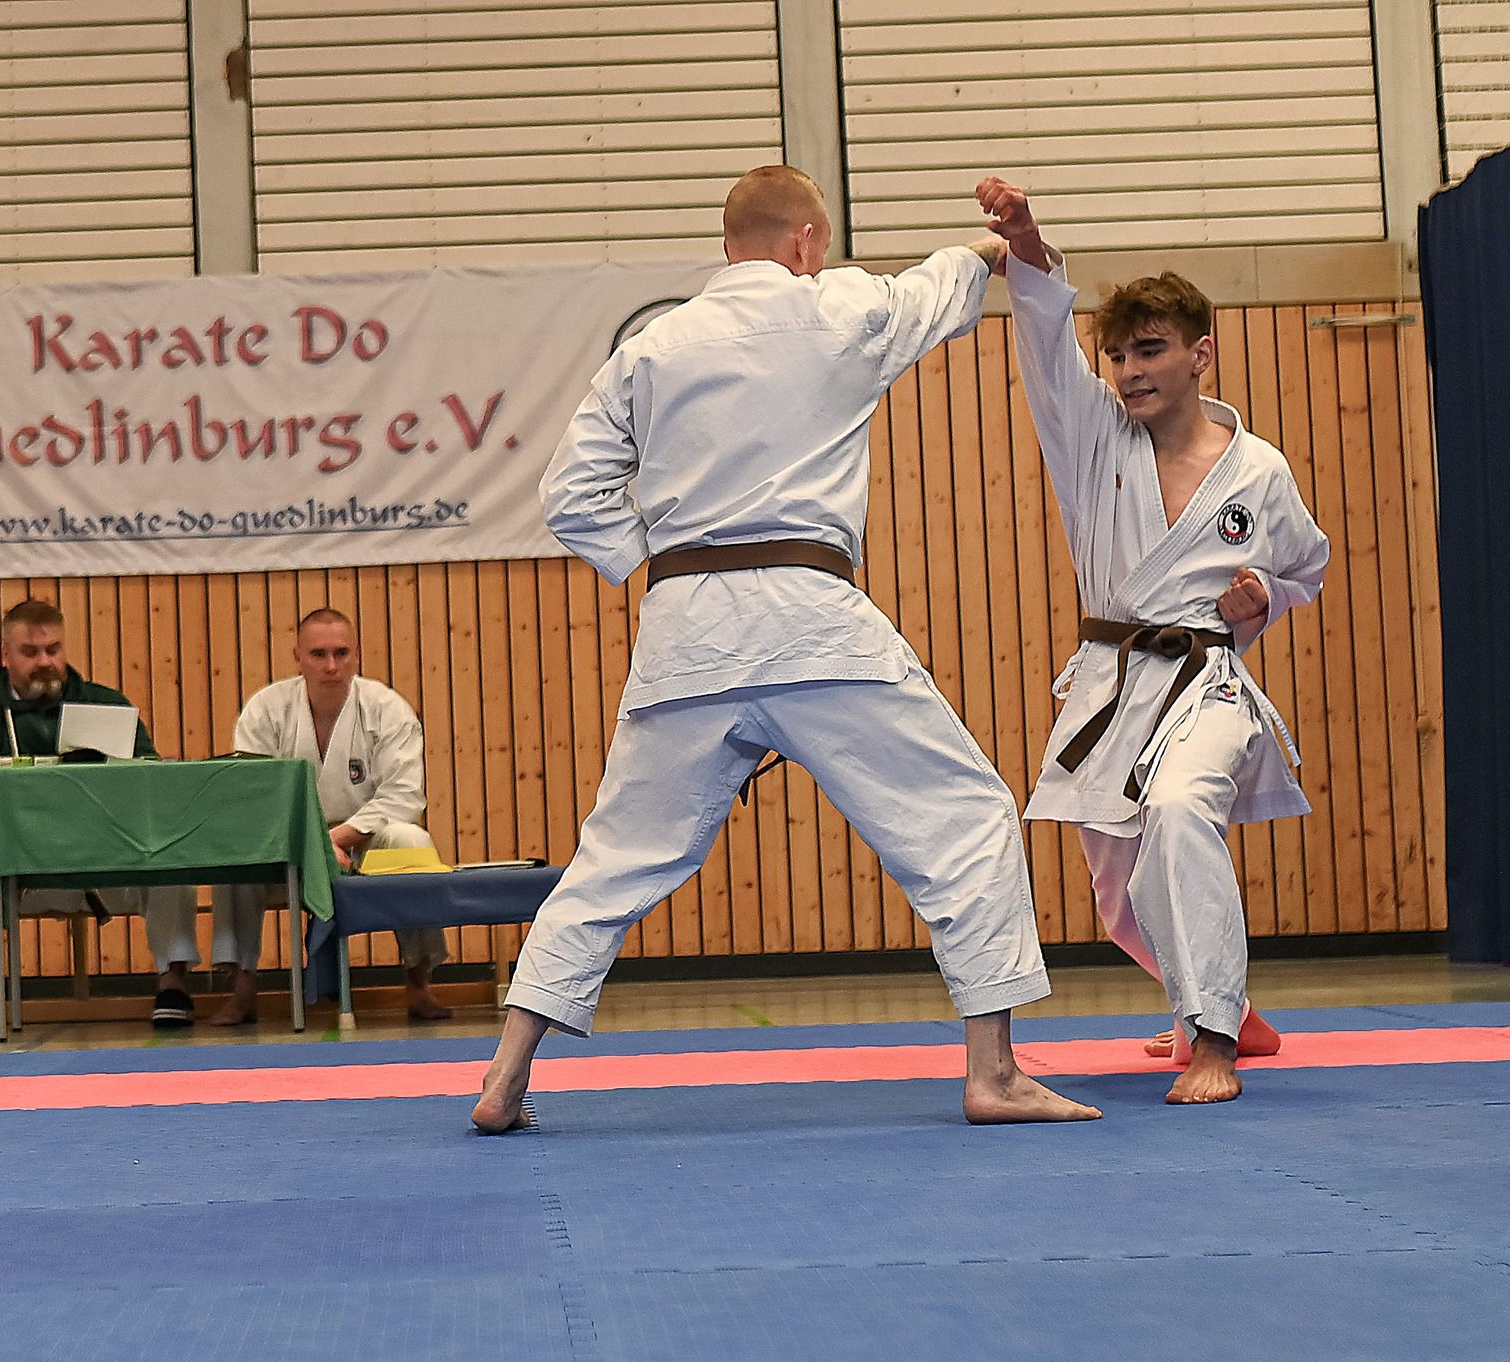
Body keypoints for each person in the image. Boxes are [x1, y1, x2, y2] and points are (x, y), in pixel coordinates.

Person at [471, 165, 1102, 1133]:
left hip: (684, 628)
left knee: (612, 860)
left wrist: (662, 558)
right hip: (811, 621)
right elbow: (937, 283)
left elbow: (569, 496)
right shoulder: (839, 308)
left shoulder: (650, 347)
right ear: (806, 243)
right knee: (967, 817)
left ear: (728, 247)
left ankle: (505, 1075)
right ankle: (994, 1073)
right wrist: (997, 244)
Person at [979, 176, 1331, 1104]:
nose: (1130, 370)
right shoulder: (1094, 438)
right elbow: (1045, 343)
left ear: (1200, 353)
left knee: (1179, 810)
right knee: (1119, 898)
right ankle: (1228, 1006)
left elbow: (1307, 565)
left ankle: (1212, 1040)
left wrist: (1264, 597)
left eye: (1151, 349)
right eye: (1119, 354)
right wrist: (1028, 243)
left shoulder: (1258, 472)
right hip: (1110, 682)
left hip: (1206, 682)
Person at [0, 599, 200, 1034]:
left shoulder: (108, 706)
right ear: (5, 655)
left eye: (53, 649)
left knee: (174, 838)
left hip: (105, 868)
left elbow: (149, 787)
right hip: (15, 873)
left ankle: (173, 985)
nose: (45, 661)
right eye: (30, 652)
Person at [208, 608, 450, 1024]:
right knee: (235, 854)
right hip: (287, 842)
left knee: (412, 840)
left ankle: (419, 981)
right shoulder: (266, 710)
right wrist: (312, 846)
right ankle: (243, 987)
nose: (331, 666)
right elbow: (253, 798)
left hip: (363, 839)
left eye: (341, 653)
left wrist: (332, 841)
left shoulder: (387, 709)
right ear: (298, 657)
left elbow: (404, 796)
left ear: (357, 655)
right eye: (318, 654)